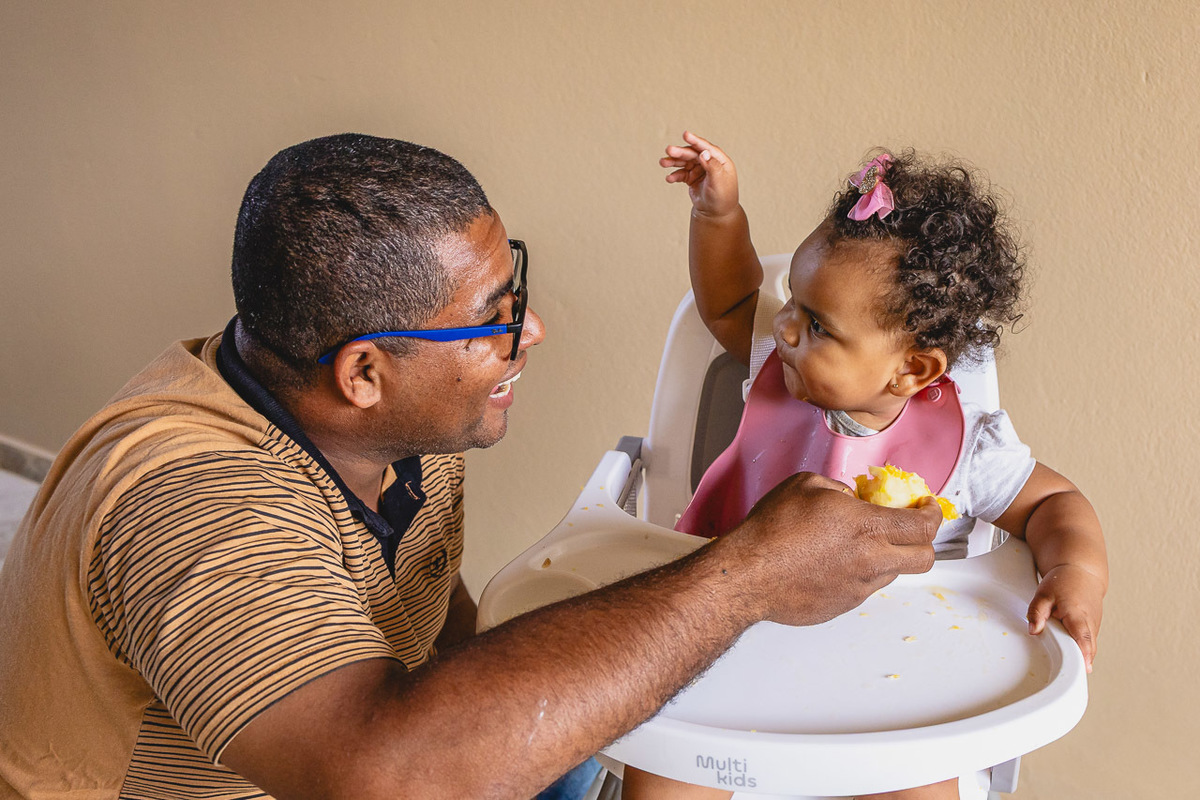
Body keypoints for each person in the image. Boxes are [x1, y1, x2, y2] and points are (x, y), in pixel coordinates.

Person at [0, 133, 944, 799]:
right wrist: (749, 573)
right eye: (494, 316)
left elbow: (425, 615)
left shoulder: (392, 429)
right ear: (364, 372)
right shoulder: (194, 506)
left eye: (515, 288)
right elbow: (384, 778)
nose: (529, 331)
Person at [619, 132, 1109, 800]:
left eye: (818, 325)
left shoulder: (967, 447)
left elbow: (1055, 505)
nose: (786, 326)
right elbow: (729, 302)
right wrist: (717, 213)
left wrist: (1075, 572)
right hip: (732, 642)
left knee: (915, 783)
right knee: (667, 771)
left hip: (894, 677)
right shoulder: (774, 358)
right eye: (792, 299)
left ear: (913, 370)